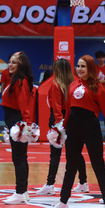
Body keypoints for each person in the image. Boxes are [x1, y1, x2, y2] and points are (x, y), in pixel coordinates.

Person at [48, 55, 105, 208]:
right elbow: (68, 109)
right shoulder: (72, 85)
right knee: (70, 166)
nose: (79, 69)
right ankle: (63, 202)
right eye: (78, 66)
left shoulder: (97, 87)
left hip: (91, 127)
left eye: (83, 66)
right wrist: (62, 128)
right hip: (73, 128)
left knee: (98, 165)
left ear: (90, 68)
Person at [36, 59, 88, 196]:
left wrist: (58, 125)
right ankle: (83, 182)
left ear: (57, 69)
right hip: (72, 119)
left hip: (59, 120)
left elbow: (57, 108)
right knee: (76, 152)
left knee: (55, 153)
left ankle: (49, 184)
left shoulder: (56, 85)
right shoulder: (74, 84)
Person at [2, 51, 34, 204]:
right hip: (14, 121)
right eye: (10, 61)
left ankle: (20, 192)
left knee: (19, 158)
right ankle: (24, 191)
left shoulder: (21, 81)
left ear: (21, 65)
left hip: (18, 122)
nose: (10, 64)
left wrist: (25, 126)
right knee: (20, 158)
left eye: (14, 62)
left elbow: (24, 106)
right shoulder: (15, 80)